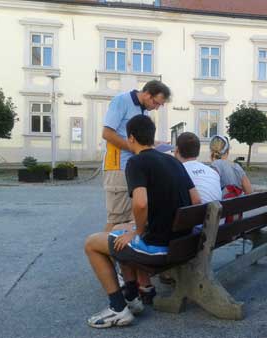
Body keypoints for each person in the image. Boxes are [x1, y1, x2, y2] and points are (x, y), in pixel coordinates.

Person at [85, 115, 200, 328]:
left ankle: (118, 309)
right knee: (119, 229)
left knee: (92, 243)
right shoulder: (173, 161)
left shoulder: (136, 162)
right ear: (152, 137)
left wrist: (138, 230)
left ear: (131, 138)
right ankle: (131, 296)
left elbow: (140, 204)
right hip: (182, 242)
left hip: (159, 248)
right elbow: (196, 200)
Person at [102, 80, 171, 232]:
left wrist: (154, 144)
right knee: (116, 219)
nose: (156, 108)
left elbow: (137, 139)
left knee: (131, 218)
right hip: (117, 166)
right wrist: (135, 149)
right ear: (146, 94)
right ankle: (101, 252)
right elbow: (107, 133)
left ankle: (117, 254)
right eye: (156, 103)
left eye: (160, 105)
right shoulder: (121, 100)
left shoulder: (144, 109)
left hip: (134, 167)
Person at [209, 135, 252, 222]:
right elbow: (249, 191)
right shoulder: (237, 167)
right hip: (234, 222)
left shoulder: (213, 167)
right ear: (227, 151)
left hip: (220, 221)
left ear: (211, 151)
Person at [175, 132, 222, 203]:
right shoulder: (213, 172)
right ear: (198, 152)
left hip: (191, 213)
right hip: (215, 213)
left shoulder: (176, 173)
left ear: (177, 150)